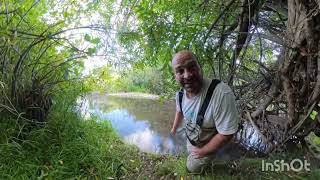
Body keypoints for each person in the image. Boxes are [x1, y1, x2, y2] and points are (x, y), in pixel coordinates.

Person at [170, 50, 239, 173]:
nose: (187, 75)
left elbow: (226, 134)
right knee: (189, 155)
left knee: (192, 168)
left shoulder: (221, 93)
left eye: (192, 67)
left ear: (200, 67)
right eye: (180, 71)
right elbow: (179, 112)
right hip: (194, 138)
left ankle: (220, 160)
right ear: (175, 76)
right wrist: (173, 130)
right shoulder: (179, 95)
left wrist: (203, 151)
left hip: (215, 142)